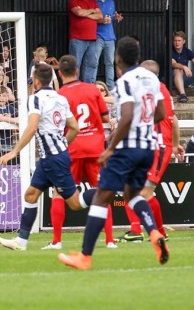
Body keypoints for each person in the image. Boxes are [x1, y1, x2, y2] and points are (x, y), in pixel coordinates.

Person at [59, 36, 168, 270]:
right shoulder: (150, 77)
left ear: (117, 58)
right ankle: (155, 234)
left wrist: (109, 148)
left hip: (128, 147)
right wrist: (144, 126)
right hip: (148, 147)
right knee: (133, 195)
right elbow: (160, 112)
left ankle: (85, 256)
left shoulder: (124, 82)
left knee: (101, 197)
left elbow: (127, 116)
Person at [0, 63, 95, 251]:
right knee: (31, 194)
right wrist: (62, 144)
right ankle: (21, 242)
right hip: (52, 156)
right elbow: (74, 127)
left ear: (36, 81)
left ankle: (112, 188)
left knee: (75, 203)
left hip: (53, 158)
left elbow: (32, 127)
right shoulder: (60, 98)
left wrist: (14, 151)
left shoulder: (35, 99)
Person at [42, 54, 116, 250]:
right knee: (102, 193)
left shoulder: (60, 96)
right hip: (95, 149)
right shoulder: (93, 90)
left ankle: (57, 241)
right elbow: (106, 117)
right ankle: (110, 240)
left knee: (59, 194)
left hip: (72, 148)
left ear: (60, 73)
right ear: (77, 71)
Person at [116, 60, 185, 243]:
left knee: (139, 192)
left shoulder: (150, 89)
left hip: (158, 147)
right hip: (155, 146)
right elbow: (174, 119)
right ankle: (157, 232)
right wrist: (176, 144)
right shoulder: (162, 90)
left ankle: (137, 231)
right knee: (137, 189)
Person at [68, 0, 103, 83]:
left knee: (91, 65)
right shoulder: (73, 1)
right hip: (77, 39)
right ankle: (74, 87)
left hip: (92, 39)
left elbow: (100, 16)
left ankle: (87, 88)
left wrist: (86, 13)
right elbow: (79, 12)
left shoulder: (93, 3)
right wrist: (92, 12)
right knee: (75, 65)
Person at [94, 0, 123, 91]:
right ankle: (93, 85)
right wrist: (100, 20)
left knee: (110, 63)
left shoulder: (111, 2)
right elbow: (90, 18)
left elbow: (112, 16)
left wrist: (117, 18)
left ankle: (110, 88)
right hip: (97, 35)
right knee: (94, 62)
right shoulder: (93, 2)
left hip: (110, 37)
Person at [170, 30, 194, 103]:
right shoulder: (169, 51)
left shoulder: (187, 51)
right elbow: (173, 64)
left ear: (184, 41)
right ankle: (183, 95)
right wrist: (184, 67)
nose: (177, 43)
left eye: (179, 40)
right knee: (178, 69)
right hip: (170, 80)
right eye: (175, 40)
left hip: (184, 79)